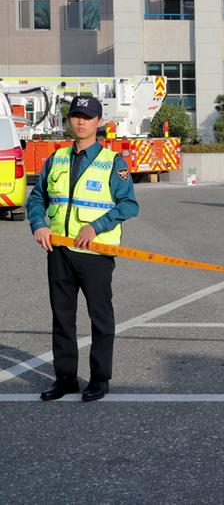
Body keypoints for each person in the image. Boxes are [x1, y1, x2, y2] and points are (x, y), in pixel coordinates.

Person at [26, 96, 139, 402]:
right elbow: (37, 197)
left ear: (99, 122)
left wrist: (96, 227)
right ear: (69, 120)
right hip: (58, 251)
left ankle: (100, 378)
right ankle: (65, 377)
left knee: (100, 318)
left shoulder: (113, 162)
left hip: (95, 255)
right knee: (62, 317)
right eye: (76, 115)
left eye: (87, 117)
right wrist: (39, 224)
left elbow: (129, 204)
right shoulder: (57, 159)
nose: (80, 121)